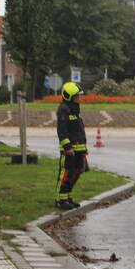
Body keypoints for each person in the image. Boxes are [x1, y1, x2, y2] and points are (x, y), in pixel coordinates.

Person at [55, 81, 88, 211]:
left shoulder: (75, 109)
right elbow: (61, 131)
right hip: (69, 151)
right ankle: (60, 199)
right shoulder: (63, 109)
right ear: (68, 96)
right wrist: (67, 147)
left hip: (79, 149)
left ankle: (68, 197)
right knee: (66, 174)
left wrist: (84, 147)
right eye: (76, 96)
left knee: (76, 172)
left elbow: (79, 129)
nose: (78, 98)